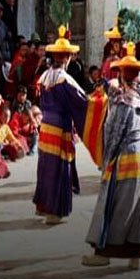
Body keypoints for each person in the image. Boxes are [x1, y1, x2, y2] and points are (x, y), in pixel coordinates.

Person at [82, 43, 140, 270]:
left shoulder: (124, 103)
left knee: (112, 203)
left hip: (126, 155)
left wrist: (106, 162)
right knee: (139, 206)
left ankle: (104, 252)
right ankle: (135, 256)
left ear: (123, 77)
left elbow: (113, 133)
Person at [32, 26, 88, 225]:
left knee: (46, 166)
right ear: (67, 58)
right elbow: (81, 103)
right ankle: (54, 211)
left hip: (46, 127)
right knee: (58, 168)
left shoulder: (45, 77)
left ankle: (44, 206)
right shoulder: (65, 80)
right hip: (60, 128)